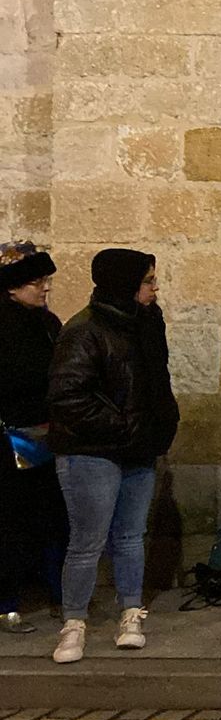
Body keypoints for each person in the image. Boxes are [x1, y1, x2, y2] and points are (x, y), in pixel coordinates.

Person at [48, 249, 179, 664]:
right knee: (88, 541)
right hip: (92, 452)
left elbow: (156, 383)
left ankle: (130, 612)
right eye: (149, 281)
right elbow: (68, 396)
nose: (155, 289)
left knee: (129, 536)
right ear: (126, 285)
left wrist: (157, 427)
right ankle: (74, 622)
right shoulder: (84, 330)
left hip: (136, 450)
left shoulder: (146, 325)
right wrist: (126, 427)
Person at [0, 242, 68, 633]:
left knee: (53, 519)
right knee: (11, 523)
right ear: (12, 287)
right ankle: (8, 602)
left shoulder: (47, 323)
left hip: (47, 437)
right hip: (9, 439)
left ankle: (60, 594)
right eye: (36, 281)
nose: (44, 288)